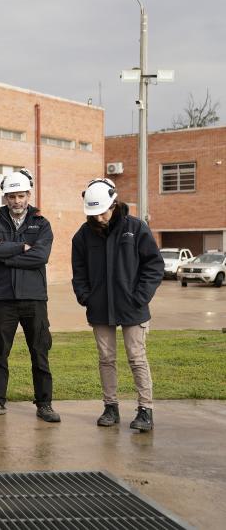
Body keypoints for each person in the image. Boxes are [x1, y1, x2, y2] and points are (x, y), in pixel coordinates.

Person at [71, 178, 163, 432]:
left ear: (113, 203)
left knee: (137, 357)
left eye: (102, 212)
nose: (98, 218)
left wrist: (140, 296)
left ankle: (145, 410)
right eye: (94, 214)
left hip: (133, 307)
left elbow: (154, 266)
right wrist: (85, 296)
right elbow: (78, 271)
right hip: (100, 307)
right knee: (106, 358)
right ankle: (110, 407)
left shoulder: (136, 228)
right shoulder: (82, 235)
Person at [0, 170, 60, 423]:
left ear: (29, 195)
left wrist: (7, 256)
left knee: (39, 351)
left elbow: (41, 256)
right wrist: (20, 248)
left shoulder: (42, 224)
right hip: (3, 298)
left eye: (21, 195)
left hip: (34, 298)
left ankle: (44, 404)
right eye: (12, 196)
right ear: (5, 198)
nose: (16, 201)